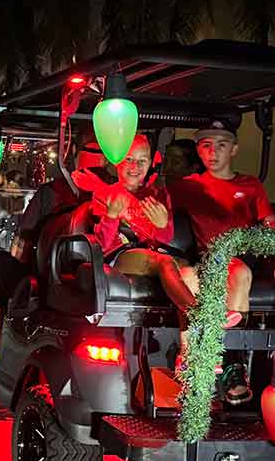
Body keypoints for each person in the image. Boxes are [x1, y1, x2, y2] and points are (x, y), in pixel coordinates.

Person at [170, 119, 275, 402]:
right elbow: (156, 211)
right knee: (240, 272)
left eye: (221, 145)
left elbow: (269, 222)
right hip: (220, 257)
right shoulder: (186, 187)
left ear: (234, 149)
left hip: (260, 253)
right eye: (206, 146)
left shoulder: (251, 185)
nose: (213, 152)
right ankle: (234, 365)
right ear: (199, 150)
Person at [83, 135, 240, 332]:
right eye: (129, 159)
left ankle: (190, 353)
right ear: (117, 161)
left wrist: (163, 224)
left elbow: (164, 239)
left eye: (142, 161)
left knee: (190, 273)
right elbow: (102, 244)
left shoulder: (157, 194)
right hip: (120, 255)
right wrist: (112, 216)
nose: (135, 166)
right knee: (165, 261)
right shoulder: (104, 193)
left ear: (150, 163)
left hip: (154, 253)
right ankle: (200, 314)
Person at [0, 139, 97, 371]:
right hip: (98, 281)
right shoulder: (120, 194)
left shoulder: (52, 192)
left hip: (53, 281)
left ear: (75, 154)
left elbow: (22, 244)